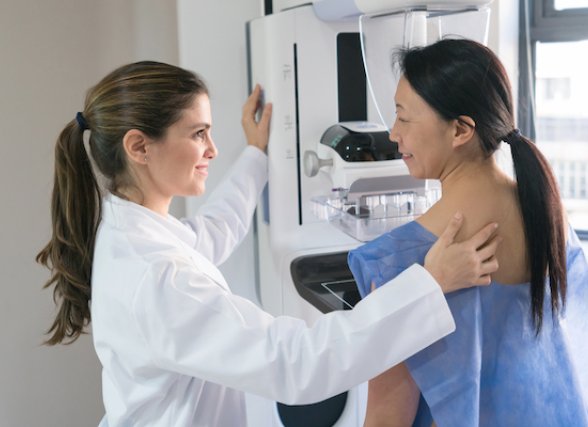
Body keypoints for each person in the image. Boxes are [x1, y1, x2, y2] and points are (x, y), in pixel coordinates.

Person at [35, 61, 502, 427]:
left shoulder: (131, 231)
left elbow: (209, 235)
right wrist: (430, 284)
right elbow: (295, 363)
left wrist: (255, 155)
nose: (213, 150)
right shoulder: (158, 275)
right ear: (139, 147)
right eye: (199, 134)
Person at [349, 38, 588, 427]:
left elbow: (385, 420)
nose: (393, 133)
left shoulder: (400, 262)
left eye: (403, 117)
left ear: (461, 130)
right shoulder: (546, 215)